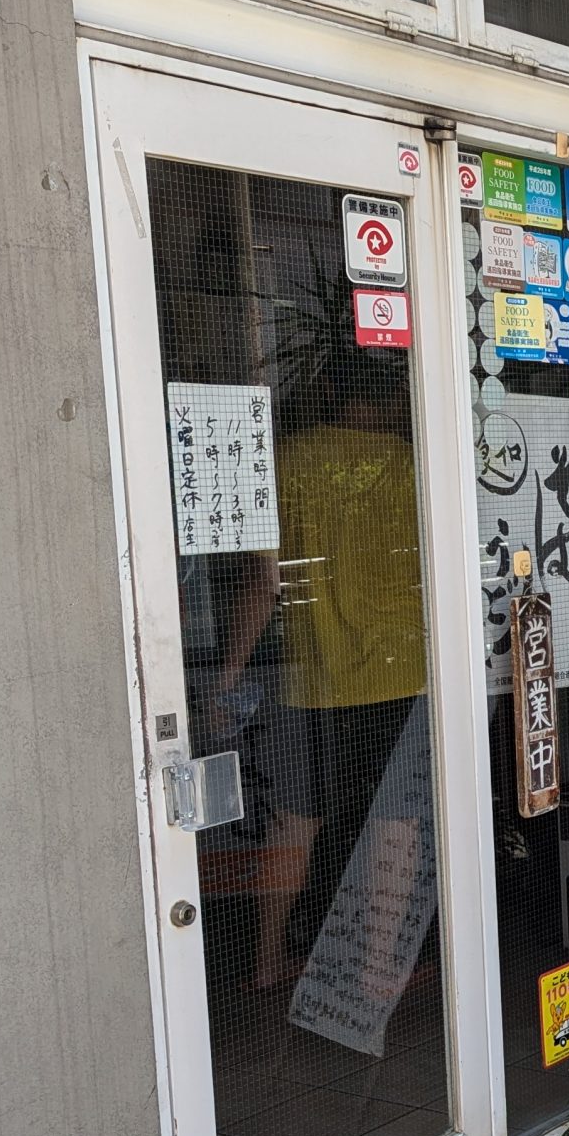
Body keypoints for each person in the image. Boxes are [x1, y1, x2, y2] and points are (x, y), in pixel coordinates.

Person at [209, 363, 429, 992]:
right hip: (401, 677)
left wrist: (229, 673)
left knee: (294, 823)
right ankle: (375, 969)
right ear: (383, 402)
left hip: (311, 680)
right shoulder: (416, 463)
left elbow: (264, 583)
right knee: (396, 829)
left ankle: (268, 958)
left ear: (331, 398)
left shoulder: (286, 462)